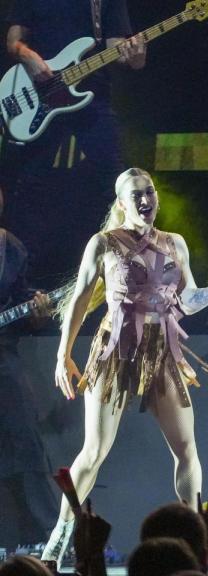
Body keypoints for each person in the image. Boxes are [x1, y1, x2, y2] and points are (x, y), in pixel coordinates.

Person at [40, 167, 208, 566]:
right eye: (136, 194)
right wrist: (62, 354)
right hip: (116, 349)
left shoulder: (175, 243)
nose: (145, 200)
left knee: (187, 448)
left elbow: (187, 302)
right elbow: (81, 299)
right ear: (122, 204)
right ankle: (58, 537)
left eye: (150, 192)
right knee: (94, 450)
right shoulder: (103, 244)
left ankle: (193, 542)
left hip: (162, 349)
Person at [4, 0, 146, 272]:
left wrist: (135, 55)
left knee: (115, 181)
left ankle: (125, 262)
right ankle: (18, 274)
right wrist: (28, 55)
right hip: (37, 94)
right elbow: (13, 42)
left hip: (92, 97)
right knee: (27, 184)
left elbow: (117, 48)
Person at [0, 185, 59, 554]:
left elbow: (19, 300)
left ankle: (45, 538)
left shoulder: (11, 247)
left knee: (26, 442)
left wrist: (36, 311)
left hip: (3, 356)